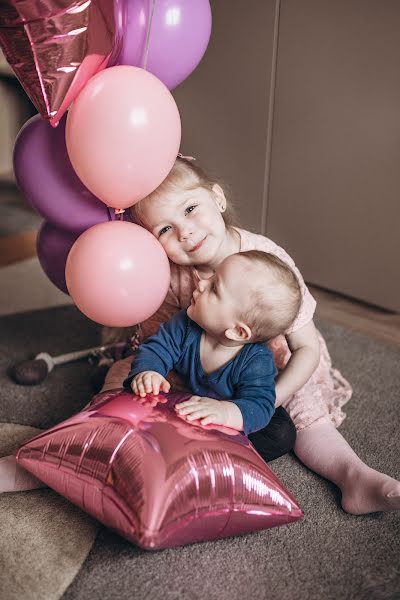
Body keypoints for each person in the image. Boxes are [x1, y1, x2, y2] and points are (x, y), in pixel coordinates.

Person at [99, 155, 400, 515]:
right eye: (164, 229)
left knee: (303, 409)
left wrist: (271, 398)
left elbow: (304, 347)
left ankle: (353, 476)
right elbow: (160, 342)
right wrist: (153, 376)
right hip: (196, 360)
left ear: (218, 199)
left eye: (191, 209)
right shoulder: (170, 276)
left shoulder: (265, 257)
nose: (185, 232)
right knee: (125, 375)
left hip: (269, 365)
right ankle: (98, 438)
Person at [124, 250, 302, 438]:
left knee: (281, 433)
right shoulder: (185, 324)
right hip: (183, 401)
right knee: (135, 394)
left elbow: (259, 404)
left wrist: (224, 413)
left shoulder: (257, 361)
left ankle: (222, 449)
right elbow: (157, 349)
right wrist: (149, 372)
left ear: (238, 331)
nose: (201, 283)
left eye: (214, 288)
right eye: (212, 276)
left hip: (225, 416)